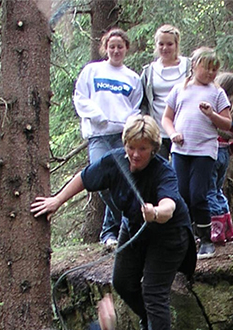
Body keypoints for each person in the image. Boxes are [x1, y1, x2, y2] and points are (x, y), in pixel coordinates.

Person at [31, 115, 195, 330]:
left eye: (142, 148)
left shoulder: (163, 171)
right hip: (133, 229)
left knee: (153, 290)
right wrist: (56, 201)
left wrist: (155, 212)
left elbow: (170, 206)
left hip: (168, 236)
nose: (135, 153)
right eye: (131, 146)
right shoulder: (115, 160)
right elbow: (84, 178)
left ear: (153, 148)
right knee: (122, 282)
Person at [73, 28, 143, 250]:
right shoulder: (92, 71)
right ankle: (128, 219)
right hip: (99, 135)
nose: (115, 50)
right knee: (101, 179)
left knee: (124, 182)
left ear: (126, 49)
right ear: (105, 48)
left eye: (120, 47)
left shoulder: (132, 77)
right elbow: (80, 97)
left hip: (123, 136)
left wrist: (129, 125)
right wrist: (97, 116)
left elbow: (136, 107)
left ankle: (110, 233)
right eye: (112, 46)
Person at [161, 47, 232, 260]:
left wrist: (211, 114)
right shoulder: (179, 89)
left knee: (198, 194)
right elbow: (167, 118)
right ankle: (185, 237)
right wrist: (173, 134)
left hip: (205, 151)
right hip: (181, 150)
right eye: (206, 68)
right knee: (181, 193)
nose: (210, 73)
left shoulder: (217, 92)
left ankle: (206, 240)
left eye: (214, 70)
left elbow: (227, 123)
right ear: (194, 66)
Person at [207, 71, 233, 245]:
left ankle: (216, 232)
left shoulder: (217, 110)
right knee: (217, 191)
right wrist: (230, 150)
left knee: (209, 191)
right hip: (224, 154)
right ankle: (228, 230)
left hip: (211, 152)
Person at [138, 24, 191, 160]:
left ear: (176, 45)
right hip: (157, 133)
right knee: (158, 174)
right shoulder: (149, 71)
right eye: (161, 44)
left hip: (184, 132)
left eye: (169, 44)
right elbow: (142, 102)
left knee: (180, 176)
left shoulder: (189, 67)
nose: (165, 48)